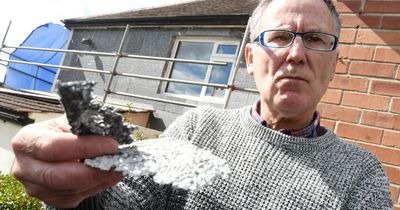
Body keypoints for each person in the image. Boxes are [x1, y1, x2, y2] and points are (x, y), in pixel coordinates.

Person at [11, 0, 393, 209]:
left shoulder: (362, 178)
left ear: (333, 64)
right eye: (278, 36)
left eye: (315, 38)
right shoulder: (198, 129)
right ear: (249, 59)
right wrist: (76, 187)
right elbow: (123, 202)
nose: (294, 54)